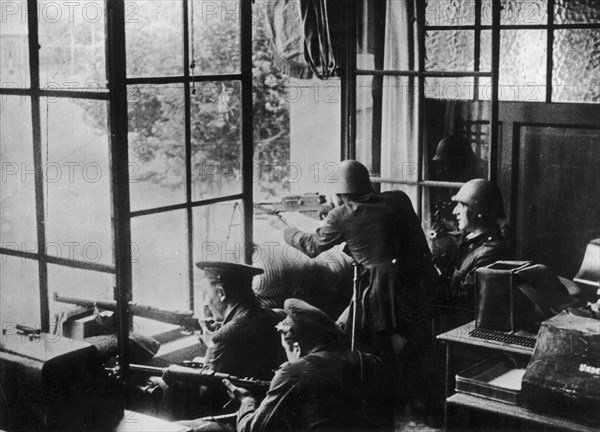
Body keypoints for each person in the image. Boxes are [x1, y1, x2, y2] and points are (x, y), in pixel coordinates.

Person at [282, 160, 439, 412]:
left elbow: (312, 246)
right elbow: (373, 225)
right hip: (418, 284)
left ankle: (383, 403)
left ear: (341, 193)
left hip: (382, 294)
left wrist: (285, 228)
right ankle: (417, 400)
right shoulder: (398, 199)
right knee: (412, 344)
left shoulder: (341, 216)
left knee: (374, 346)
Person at [223, 298, 392, 432]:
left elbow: (250, 429)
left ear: (296, 346)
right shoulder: (371, 362)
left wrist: (247, 401)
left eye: (286, 349)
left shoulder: (294, 371)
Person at [174, 262, 285, 424]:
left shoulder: (226, 335)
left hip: (238, 419)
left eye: (206, 294)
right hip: (270, 413)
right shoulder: (277, 316)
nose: (205, 303)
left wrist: (211, 345)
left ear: (221, 293)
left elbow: (207, 395)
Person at [441, 179, 511, 326]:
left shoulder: (491, 252)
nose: (455, 211)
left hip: (465, 328)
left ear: (480, 211)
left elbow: (464, 301)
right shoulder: (471, 241)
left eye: (462, 205)